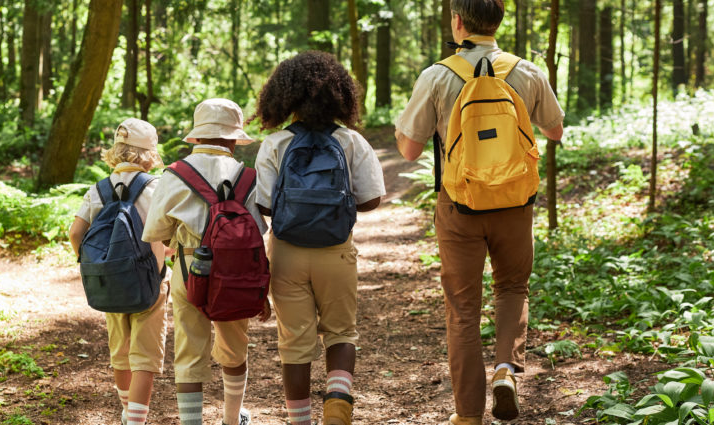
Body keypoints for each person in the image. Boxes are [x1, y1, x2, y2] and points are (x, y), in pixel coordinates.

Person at [395, 1, 565, 424]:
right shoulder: (526, 71)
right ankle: (505, 369)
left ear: (458, 22)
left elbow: (410, 148)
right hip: (514, 203)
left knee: (463, 307)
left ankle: (468, 415)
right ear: (498, 22)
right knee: (512, 288)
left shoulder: (437, 75)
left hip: (459, 205)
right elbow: (555, 130)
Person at [251, 51, 386, 425]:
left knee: (294, 343)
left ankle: (301, 421)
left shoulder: (275, 144)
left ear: (282, 97)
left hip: (287, 254)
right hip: (336, 251)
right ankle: (338, 402)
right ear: (340, 94)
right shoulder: (350, 141)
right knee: (342, 331)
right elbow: (372, 198)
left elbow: (263, 205)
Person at [141, 98, 269, 425]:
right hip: (237, 274)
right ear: (233, 139)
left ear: (196, 137)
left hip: (188, 269)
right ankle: (231, 419)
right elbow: (257, 231)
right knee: (234, 347)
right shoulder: (248, 177)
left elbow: (155, 230)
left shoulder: (175, 174)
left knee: (188, 350)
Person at [68, 118, 169, 425]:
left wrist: (91, 265)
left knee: (120, 351)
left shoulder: (97, 190)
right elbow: (164, 238)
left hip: (109, 280)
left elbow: (75, 233)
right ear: (149, 154)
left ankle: (126, 412)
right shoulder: (157, 188)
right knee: (145, 358)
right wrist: (164, 262)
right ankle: (136, 421)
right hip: (148, 282)